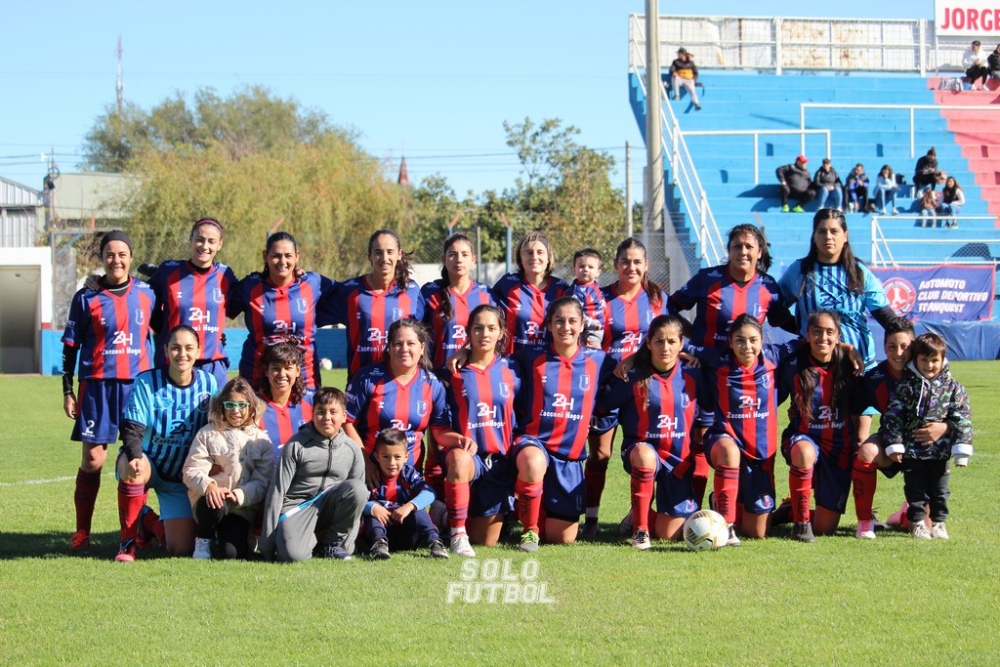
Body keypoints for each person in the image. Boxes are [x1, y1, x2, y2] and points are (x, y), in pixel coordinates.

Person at [667, 224, 793, 512]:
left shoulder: (768, 287)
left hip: (742, 380)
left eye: (750, 246)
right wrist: (688, 343)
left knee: (742, 441)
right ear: (729, 250)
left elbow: (785, 322)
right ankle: (692, 507)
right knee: (698, 439)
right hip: (705, 371)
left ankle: (731, 501)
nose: (743, 251)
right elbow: (670, 306)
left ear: (760, 252)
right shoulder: (707, 279)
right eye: (737, 246)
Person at [62, 230, 156, 551]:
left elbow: (175, 322)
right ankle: (82, 533)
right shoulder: (86, 297)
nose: (116, 260)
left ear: (130, 257)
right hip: (97, 387)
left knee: (136, 461)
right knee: (93, 461)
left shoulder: (147, 293)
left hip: (137, 389)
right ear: (102, 258)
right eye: (110, 254)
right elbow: (71, 348)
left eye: (122, 254)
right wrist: (67, 391)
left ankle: (131, 535)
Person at [687, 315, 811, 544]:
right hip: (723, 439)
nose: (747, 346)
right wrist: (687, 354)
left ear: (762, 341)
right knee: (729, 453)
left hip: (760, 450)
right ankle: (727, 525)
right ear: (731, 342)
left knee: (758, 532)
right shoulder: (718, 359)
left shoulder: (773, 355)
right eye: (740, 340)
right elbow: (678, 341)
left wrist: (847, 348)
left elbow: (806, 341)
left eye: (753, 340)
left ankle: (723, 501)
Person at [509, 297, 614, 549]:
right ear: (548, 324)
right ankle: (529, 529)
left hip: (570, 456)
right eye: (559, 321)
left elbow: (634, 369)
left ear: (581, 326)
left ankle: (526, 506)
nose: (565, 327)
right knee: (533, 462)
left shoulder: (599, 361)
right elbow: (491, 363)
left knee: (563, 538)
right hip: (535, 444)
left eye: (571, 321)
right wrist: (465, 352)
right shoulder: (530, 357)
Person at [596, 315, 708, 549]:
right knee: (645, 457)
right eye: (658, 341)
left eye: (671, 341)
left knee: (669, 534)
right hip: (642, 451)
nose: (665, 348)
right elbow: (604, 403)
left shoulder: (693, 374)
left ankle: (639, 514)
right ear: (648, 343)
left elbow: (707, 413)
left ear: (681, 344)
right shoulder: (633, 376)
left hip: (678, 459)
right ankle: (640, 530)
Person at [114, 325, 218, 562]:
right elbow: (131, 427)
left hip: (180, 477)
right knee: (132, 469)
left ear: (199, 351)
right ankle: (127, 545)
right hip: (149, 462)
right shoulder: (147, 382)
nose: (182, 354)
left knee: (180, 549)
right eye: (176, 348)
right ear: (165, 350)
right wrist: (134, 457)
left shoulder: (209, 383)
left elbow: (215, 428)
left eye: (189, 348)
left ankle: (146, 519)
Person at [583, 237, 665, 537]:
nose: (631, 267)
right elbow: (587, 344)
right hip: (606, 387)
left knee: (644, 453)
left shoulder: (657, 298)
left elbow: (664, 340)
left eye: (637, 262)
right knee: (600, 456)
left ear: (646, 266)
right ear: (616, 265)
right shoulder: (598, 298)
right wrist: (612, 364)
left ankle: (637, 516)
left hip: (643, 391)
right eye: (625, 261)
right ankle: (591, 520)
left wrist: (635, 360)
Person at [344, 318, 471, 482]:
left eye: (411, 343)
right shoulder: (367, 377)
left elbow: (439, 431)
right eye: (398, 343)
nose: (404, 349)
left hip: (411, 480)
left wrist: (459, 440)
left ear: (422, 347)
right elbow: (346, 422)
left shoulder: (433, 384)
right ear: (389, 347)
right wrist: (364, 461)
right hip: (370, 475)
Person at [851, 318, 942, 539]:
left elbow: (956, 407)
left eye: (905, 346)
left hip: (924, 446)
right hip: (892, 442)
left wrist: (943, 427)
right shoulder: (875, 377)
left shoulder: (931, 372)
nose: (898, 352)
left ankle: (905, 515)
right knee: (866, 452)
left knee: (925, 527)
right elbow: (855, 407)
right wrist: (860, 439)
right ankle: (865, 521)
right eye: (892, 346)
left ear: (914, 346)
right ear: (884, 347)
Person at [777, 310, 862, 542]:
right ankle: (801, 524)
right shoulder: (794, 365)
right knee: (804, 452)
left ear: (838, 336)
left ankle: (789, 509)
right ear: (807, 334)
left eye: (829, 333)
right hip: (803, 439)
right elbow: (770, 396)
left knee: (826, 528)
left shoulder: (851, 364)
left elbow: (862, 405)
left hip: (838, 448)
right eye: (817, 332)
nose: (823, 338)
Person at [442, 305, 520, 556]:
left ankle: (444, 517)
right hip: (470, 459)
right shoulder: (453, 374)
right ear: (468, 332)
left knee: (485, 540)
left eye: (491, 328)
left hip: (499, 463)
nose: (484, 334)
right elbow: (439, 428)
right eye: (477, 328)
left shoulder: (514, 370)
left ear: (501, 333)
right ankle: (457, 534)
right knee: (459, 458)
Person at [259, 387, 367, 562]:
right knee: (293, 556)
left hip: (331, 506)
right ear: (312, 413)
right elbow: (277, 491)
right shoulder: (296, 445)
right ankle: (309, 539)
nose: (327, 418)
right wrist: (267, 543)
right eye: (321, 412)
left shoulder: (352, 449)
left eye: (333, 412)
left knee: (357, 488)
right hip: (298, 506)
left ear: (344, 415)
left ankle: (332, 544)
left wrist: (348, 543)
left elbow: (358, 499)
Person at [778, 208, 895, 369]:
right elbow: (775, 311)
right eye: (822, 231)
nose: (828, 237)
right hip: (815, 369)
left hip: (861, 368)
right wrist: (802, 330)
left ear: (845, 236)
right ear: (814, 237)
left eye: (834, 231)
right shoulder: (799, 271)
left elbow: (886, 317)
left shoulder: (859, 272)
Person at [882, 333, 973, 540]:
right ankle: (917, 523)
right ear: (916, 359)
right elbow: (893, 415)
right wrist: (895, 444)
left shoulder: (953, 388)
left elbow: (962, 418)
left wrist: (962, 450)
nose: (929, 365)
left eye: (934, 360)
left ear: (942, 360)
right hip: (913, 453)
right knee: (915, 491)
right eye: (924, 360)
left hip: (940, 453)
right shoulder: (907, 386)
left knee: (940, 491)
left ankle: (939, 523)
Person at [227, 231, 336, 391]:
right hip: (257, 378)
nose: (283, 261)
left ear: (297, 257)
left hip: (305, 379)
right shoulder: (250, 287)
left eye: (288, 256)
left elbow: (349, 296)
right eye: (276, 255)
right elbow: (218, 306)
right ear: (265, 256)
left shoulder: (313, 283)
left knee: (305, 416)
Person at [182, 377, 273, 559]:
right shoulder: (208, 433)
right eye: (230, 405)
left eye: (242, 405)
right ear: (221, 406)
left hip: (239, 507)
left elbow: (263, 481)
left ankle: (228, 537)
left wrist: (241, 494)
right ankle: (203, 537)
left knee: (230, 554)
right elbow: (191, 470)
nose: (236, 411)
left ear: (251, 407)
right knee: (215, 505)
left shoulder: (261, 440)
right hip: (209, 501)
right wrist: (209, 486)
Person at [146, 217, 237, 390]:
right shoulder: (168, 271)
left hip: (212, 365)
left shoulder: (226, 275)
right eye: (200, 239)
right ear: (191, 240)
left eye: (211, 241)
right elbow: (141, 297)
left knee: (218, 416)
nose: (205, 246)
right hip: (174, 363)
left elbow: (250, 295)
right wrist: (101, 281)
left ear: (219, 244)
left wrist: (295, 275)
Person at [324, 229, 424, 379]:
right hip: (361, 385)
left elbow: (427, 333)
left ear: (399, 254)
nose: (384, 258)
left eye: (390, 252)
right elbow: (308, 313)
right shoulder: (350, 291)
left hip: (401, 384)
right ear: (369, 256)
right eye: (378, 252)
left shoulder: (412, 291)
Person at [364, 428, 450, 559]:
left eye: (397, 457)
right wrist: (373, 508)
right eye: (385, 457)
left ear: (406, 457)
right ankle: (379, 545)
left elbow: (430, 493)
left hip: (408, 534)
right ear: (377, 457)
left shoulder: (408, 474)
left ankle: (435, 543)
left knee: (418, 510)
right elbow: (356, 502)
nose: (391, 463)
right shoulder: (371, 476)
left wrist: (409, 506)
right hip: (381, 530)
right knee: (372, 515)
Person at [420, 232, 494, 368]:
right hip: (438, 377)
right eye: (453, 254)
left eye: (465, 255)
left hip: (473, 375)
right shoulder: (429, 293)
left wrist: (467, 350)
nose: (459, 259)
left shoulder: (486, 294)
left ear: (473, 259)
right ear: (444, 259)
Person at [492, 231, 569, 354]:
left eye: (540, 252)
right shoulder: (508, 284)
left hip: (548, 364)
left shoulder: (561, 288)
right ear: (520, 258)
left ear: (548, 257)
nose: (534, 257)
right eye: (528, 252)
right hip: (512, 364)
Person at [255, 342, 313, 457]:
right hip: (264, 475)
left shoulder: (312, 403)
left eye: (288, 368)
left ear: (297, 371)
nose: (282, 374)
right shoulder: (253, 406)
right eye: (276, 368)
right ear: (267, 371)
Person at [568, 247, 607, 348]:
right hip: (589, 332)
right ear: (574, 270)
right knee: (593, 355)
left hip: (602, 329)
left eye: (590, 267)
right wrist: (590, 323)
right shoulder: (576, 291)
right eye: (581, 266)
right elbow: (573, 314)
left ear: (598, 271)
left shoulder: (594, 286)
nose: (585, 269)